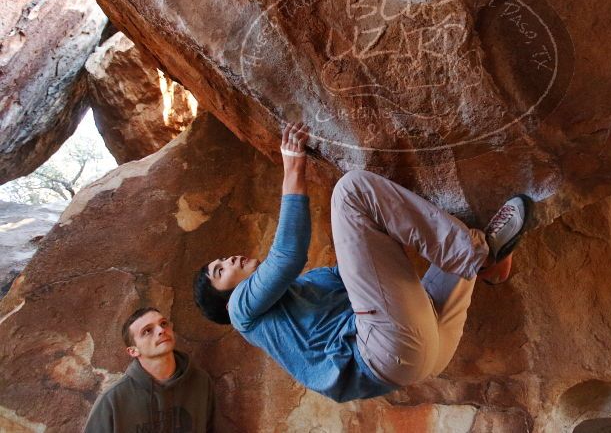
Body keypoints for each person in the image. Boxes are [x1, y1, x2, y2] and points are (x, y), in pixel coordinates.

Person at [193, 122, 531, 402]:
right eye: (220, 270)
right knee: (350, 191)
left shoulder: (307, 288)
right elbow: (286, 257)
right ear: (225, 300)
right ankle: (480, 258)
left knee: (455, 226)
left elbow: (370, 264)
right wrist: (293, 167)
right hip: (388, 351)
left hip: (425, 348)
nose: (230, 260)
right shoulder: (240, 312)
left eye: (222, 259)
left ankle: (490, 263)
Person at [84, 307, 214, 433]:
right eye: (147, 331)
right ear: (133, 351)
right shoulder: (112, 400)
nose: (161, 330)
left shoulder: (201, 382)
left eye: (163, 323)